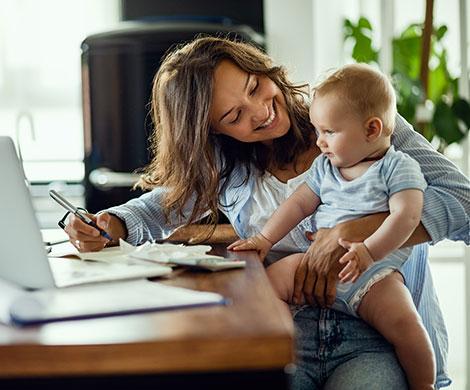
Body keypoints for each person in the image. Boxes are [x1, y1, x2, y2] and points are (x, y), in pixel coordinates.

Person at [64, 37, 470, 389]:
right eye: (234, 116)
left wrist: (357, 230)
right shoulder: (227, 166)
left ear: (263, 69)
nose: (260, 111)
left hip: (377, 332)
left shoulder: (354, 115)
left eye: (255, 87)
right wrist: (108, 224)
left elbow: (464, 204)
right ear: (213, 132)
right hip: (286, 331)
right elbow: (159, 208)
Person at [228, 63, 435, 389]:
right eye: (318, 130)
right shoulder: (326, 167)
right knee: (267, 285)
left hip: (373, 273)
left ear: (371, 130)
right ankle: (284, 350)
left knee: (406, 324)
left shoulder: (397, 167)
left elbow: (406, 217)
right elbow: (298, 203)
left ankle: (424, 384)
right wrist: (265, 238)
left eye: (330, 132)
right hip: (315, 262)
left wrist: (368, 251)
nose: (319, 141)